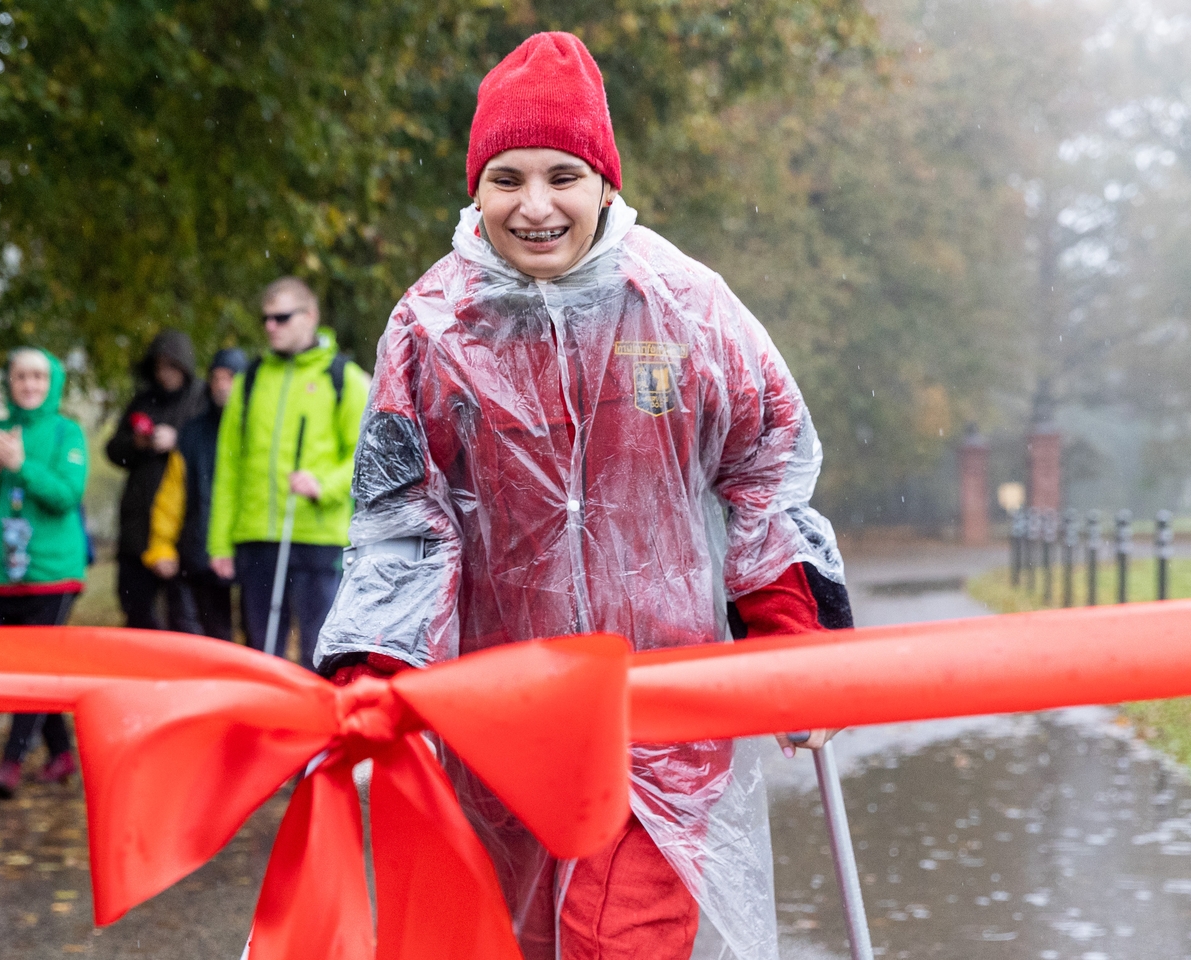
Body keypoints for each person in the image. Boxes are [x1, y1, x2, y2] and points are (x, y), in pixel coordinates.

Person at [314, 33, 853, 960]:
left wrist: (792, 636)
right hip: (501, 717)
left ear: (605, 182)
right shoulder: (432, 327)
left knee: (619, 941)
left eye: (562, 175)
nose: (535, 207)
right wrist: (376, 671)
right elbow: (404, 519)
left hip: (662, 714)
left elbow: (767, 466)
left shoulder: (686, 305)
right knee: (512, 940)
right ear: (475, 187)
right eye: (507, 178)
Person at [0, 347, 89, 800]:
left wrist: (20, 466)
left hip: (53, 572)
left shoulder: (68, 432)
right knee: (21, 670)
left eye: (38, 377)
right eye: (20, 377)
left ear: (52, 384)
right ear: (8, 383)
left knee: (36, 666)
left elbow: (66, 495)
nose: (29, 385)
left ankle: (10, 760)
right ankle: (62, 753)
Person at [207, 277, 368, 670]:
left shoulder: (344, 378)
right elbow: (227, 466)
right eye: (265, 319)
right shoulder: (250, 381)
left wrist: (323, 485)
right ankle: (267, 729)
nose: (270, 327)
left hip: (318, 536)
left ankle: (318, 729)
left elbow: (368, 456)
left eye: (281, 318)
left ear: (310, 316)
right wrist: (219, 543)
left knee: (321, 649)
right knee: (261, 653)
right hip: (256, 536)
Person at [141, 347, 248, 640]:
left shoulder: (259, 431)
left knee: (258, 642)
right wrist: (162, 546)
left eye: (230, 378)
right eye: (216, 378)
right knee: (206, 641)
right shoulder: (192, 433)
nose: (222, 385)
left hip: (251, 556)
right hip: (199, 556)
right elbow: (170, 498)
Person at [105, 330, 206, 630]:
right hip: (137, 524)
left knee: (184, 618)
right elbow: (113, 449)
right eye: (159, 367)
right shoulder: (142, 400)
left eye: (171, 366)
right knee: (137, 613)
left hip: (182, 526)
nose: (165, 374)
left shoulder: (201, 400)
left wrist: (179, 441)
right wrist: (139, 444)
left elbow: (214, 451)